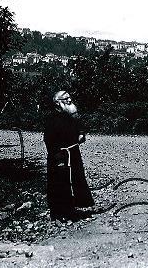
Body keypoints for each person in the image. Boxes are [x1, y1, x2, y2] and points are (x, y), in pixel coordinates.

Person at [43, 91, 95, 221]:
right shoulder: (52, 119)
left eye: (69, 97)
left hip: (73, 153)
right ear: (57, 102)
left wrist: (81, 134)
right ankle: (59, 213)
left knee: (76, 180)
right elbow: (49, 140)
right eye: (66, 98)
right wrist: (58, 157)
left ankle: (72, 209)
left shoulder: (71, 116)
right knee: (60, 184)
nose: (69, 100)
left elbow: (79, 128)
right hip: (60, 156)